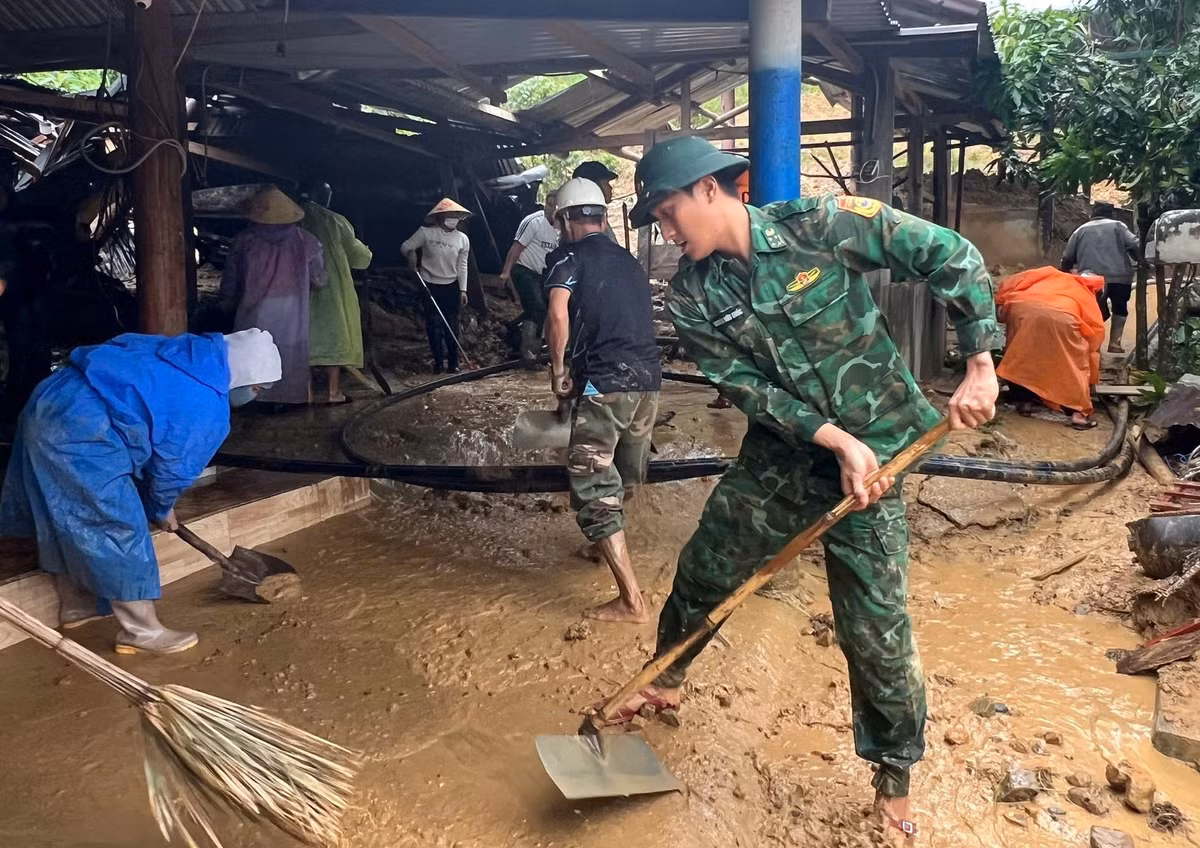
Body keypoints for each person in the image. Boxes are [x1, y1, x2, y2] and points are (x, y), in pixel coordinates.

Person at [617, 136, 1003, 842]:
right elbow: (746, 388)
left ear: (711, 189)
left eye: (669, 214)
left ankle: (893, 784)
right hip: (789, 451)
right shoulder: (693, 296)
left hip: (881, 457)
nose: (667, 233)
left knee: (875, 627)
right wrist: (833, 439)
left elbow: (950, 253)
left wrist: (980, 361)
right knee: (707, 568)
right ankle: (665, 678)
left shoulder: (819, 225)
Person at [0, 329, 282, 654]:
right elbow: (172, 469)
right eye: (258, 389)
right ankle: (142, 632)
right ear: (244, 378)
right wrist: (161, 508)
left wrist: (159, 504)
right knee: (117, 525)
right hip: (83, 430)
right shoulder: (206, 405)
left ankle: (78, 606)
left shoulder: (183, 353)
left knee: (63, 513)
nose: (255, 395)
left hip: (49, 402)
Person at [544, 178, 662, 623]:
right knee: (625, 473)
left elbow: (558, 315)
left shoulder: (567, 258)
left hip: (607, 382)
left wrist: (558, 373)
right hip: (648, 382)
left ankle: (631, 600)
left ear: (568, 219)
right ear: (602, 216)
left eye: (560, 221)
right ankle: (601, 546)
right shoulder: (628, 262)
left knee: (591, 482)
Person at [221, 186, 325, 406]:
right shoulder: (307, 241)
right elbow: (320, 278)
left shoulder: (244, 241)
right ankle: (287, 398)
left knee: (249, 351)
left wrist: (227, 301)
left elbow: (231, 278)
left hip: (254, 307)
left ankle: (250, 398)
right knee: (289, 352)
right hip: (293, 310)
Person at [996, 267, 1105, 429]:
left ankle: (1024, 401)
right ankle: (1078, 414)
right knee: (1073, 364)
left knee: (1021, 354)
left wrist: (1000, 303)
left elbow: (1014, 281)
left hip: (1021, 308)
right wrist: (1090, 374)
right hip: (1062, 316)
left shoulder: (1051, 275)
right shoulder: (1085, 293)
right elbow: (1093, 335)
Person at [300, 181, 373, 404]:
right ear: (323, 196)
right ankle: (333, 392)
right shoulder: (334, 220)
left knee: (303, 340)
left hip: (298, 288)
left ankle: (307, 394)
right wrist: (367, 252)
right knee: (335, 336)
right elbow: (358, 254)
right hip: (332, 288)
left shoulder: (293, 219)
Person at [402, 198, 472, 373]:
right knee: (433, 324)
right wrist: (411, 253)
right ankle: (438, 362)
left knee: (452, 324)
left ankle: (454, 363)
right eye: (450, 214)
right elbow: (405, 246)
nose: (453, 218)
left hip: (451, 285)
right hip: (429, 283)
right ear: (440, 216)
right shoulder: (425, 233)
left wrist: (463, 289)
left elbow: (462, 265)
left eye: (456, 215)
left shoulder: (462, 239)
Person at [1061, 201, 1139, 354]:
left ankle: (1093, 344)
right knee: (1120, 307)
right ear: (1112, 214)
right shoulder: (1118, 226)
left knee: (1093, 310)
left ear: (1092, 213)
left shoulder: (1080, 230)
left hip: (1090, 279)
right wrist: (1140, 260)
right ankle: (1115, 343)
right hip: (1119, 275)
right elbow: (1134, 245)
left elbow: (1068, 256)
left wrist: (1064, 274)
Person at [499, 189, 559, 365]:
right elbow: (517, 247)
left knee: (544, 308)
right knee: (538, 306)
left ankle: (515, 332)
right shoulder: (533, 221)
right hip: (525, 269)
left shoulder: (564, 226)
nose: (552, 209)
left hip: (545, 274)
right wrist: (506, 271)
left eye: (556, 205)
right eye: (549, 204)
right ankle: (528, 352)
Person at [572, 161, 620, 242]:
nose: (610, 188)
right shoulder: (588, 224)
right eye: (606, 183)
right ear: (595, 187)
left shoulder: (597, 217)